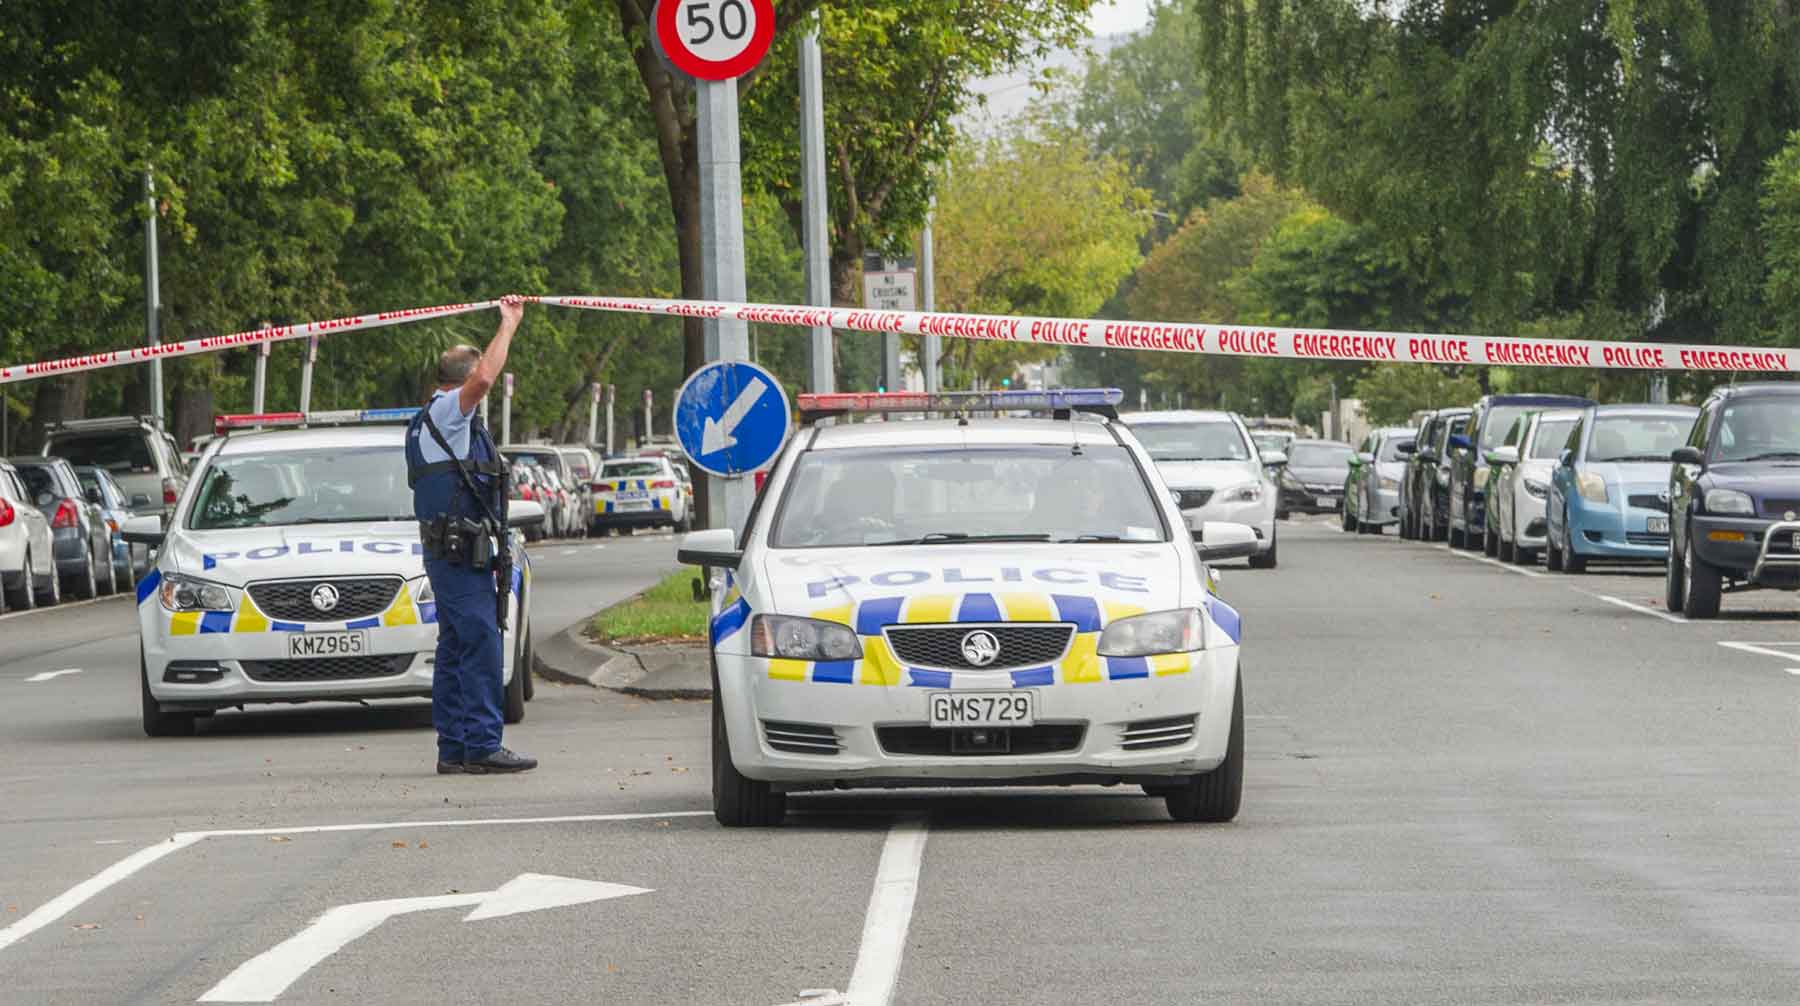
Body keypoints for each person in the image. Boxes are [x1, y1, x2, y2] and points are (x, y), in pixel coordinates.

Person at [406, 294, 536, 775]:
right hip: (458, 552)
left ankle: (456, 746)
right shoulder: (447, 413)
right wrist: (508, 325)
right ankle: (481, 743)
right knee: (480, 640)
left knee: (458, 646)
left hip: (457, 550)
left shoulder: (433, 419)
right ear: (461, 380)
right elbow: (484, 379)